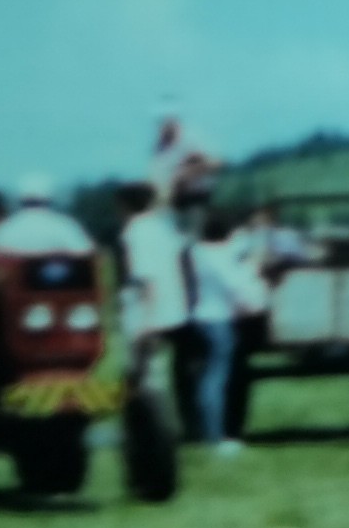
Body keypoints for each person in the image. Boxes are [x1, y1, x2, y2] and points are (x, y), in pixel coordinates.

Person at [187, 207, 274, 458]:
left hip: (201, 318)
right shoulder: (220, 257)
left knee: (209, 377)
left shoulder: (198, 252)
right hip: (220, 320)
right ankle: (216, 437)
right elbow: (236, 287)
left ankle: (208, 431)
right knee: (217, 379)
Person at [115, 180, 199, 410]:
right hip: (177, 310)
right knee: (176, 372)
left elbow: (145, 277)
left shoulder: (134, 232)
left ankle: (148, 423)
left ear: (125, 206)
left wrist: (146, 320)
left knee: (146, 373)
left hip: (149, 312)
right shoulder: (165, 228)